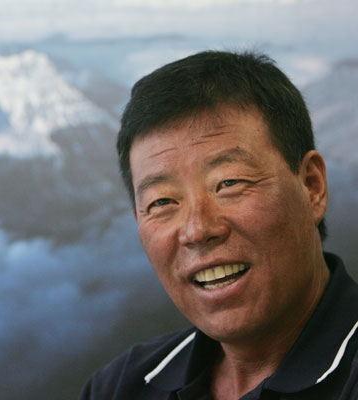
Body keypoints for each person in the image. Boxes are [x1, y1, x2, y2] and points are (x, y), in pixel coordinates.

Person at [79, 50, 358, 399]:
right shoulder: (119, 387)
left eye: (229, 183)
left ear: (311, 187)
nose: (197, 230)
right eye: (162, 202)